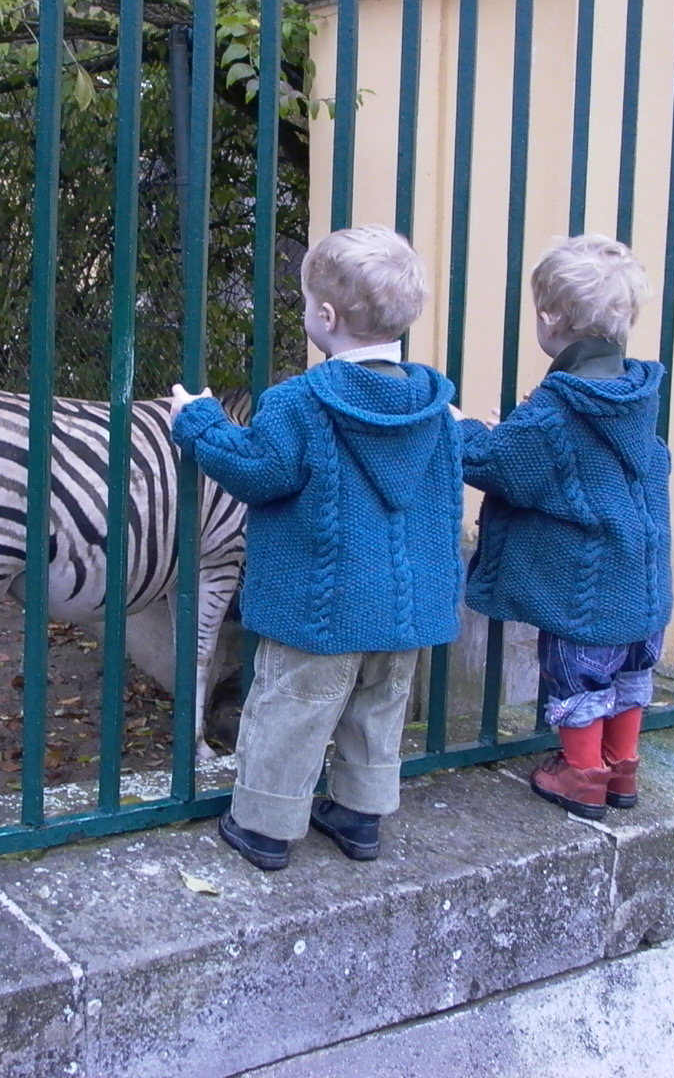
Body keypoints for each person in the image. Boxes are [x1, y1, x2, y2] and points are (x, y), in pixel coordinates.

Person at [168, 225, 464, 870]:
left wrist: (198, 421)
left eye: (305, 303)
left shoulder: (299, 401)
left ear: (325, 316)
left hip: (321, 605)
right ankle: (360, 817)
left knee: (292, 708)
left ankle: (266, 828)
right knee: (378, 707)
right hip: (406, 608)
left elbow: (259, 471)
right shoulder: (437, 409)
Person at [456, 234, 672, 820]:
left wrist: (464, 427)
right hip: (643, 585)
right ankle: (621, 769)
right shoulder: (635, 394)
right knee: (630, 675)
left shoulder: (557, 407)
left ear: (549, 321)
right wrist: (525, 431)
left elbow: (498, 466)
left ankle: (580, 775)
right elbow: (587, 460)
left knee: (576, 679)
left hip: (589, 591)